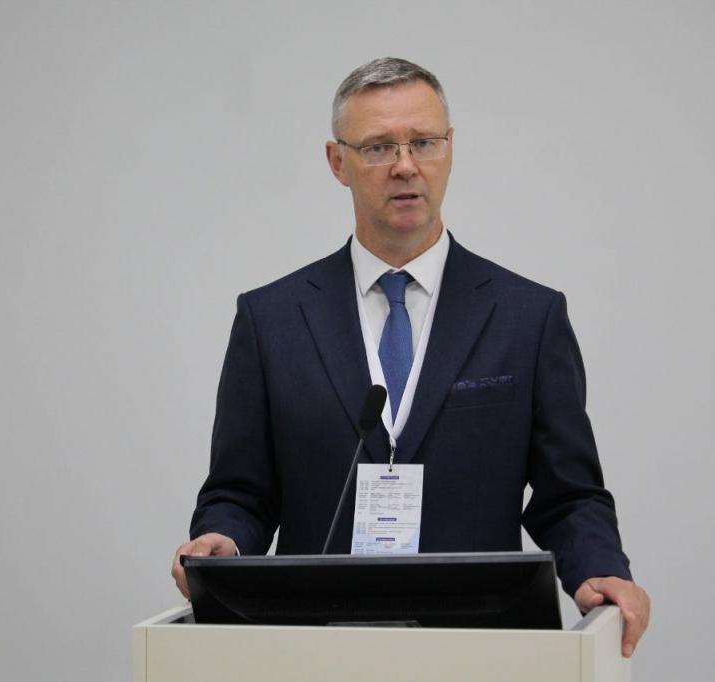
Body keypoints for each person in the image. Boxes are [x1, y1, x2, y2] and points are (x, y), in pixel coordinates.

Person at [171, 57, 650, 656]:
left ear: (450, 149)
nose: (405, 165)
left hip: (482, 650)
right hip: (315, 650)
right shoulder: (271, 320)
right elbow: (240, 491)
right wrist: (222, 541)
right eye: (378, 147)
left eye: (423, 142)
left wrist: (600, 567)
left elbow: (570, 493)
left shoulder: (528, 316)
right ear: (337, 162)